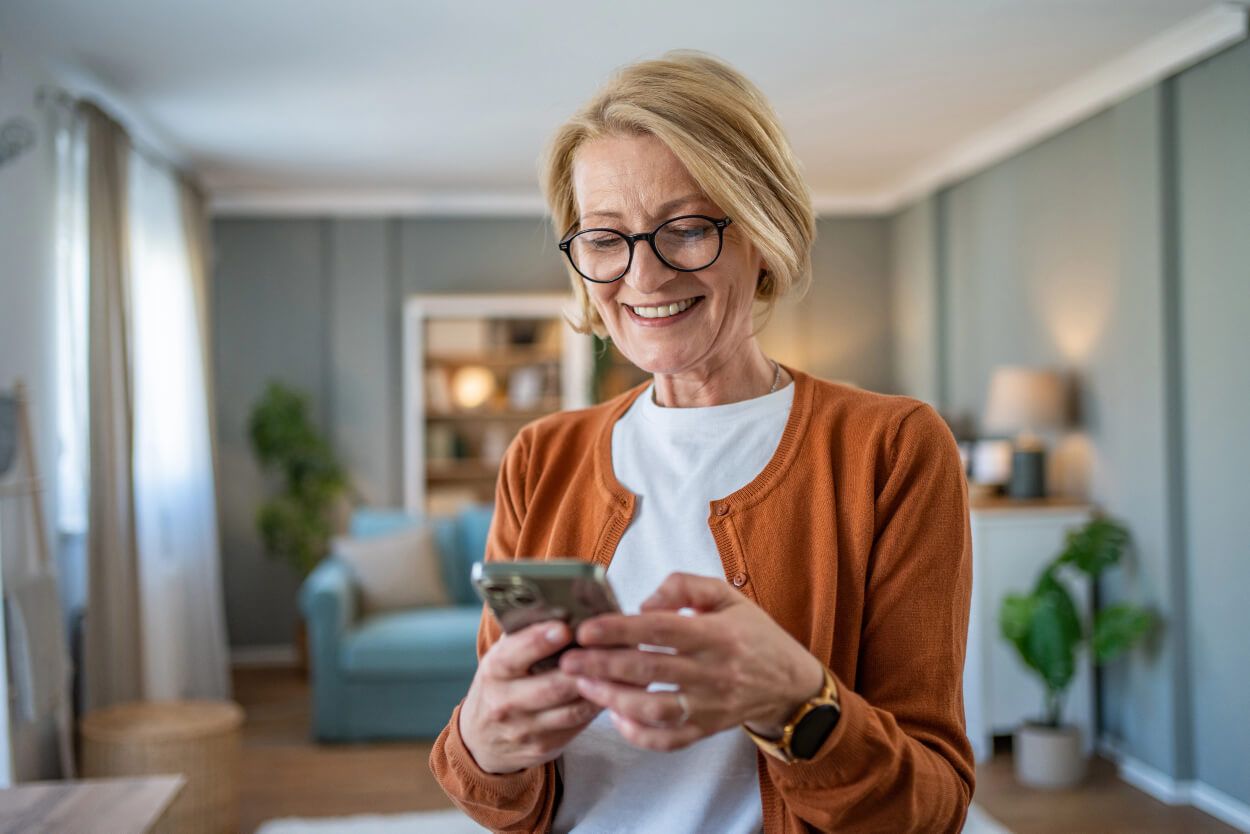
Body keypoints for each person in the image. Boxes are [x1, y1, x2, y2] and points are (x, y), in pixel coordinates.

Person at [430, 50, 974, 833]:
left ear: (761, 229)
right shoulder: (541, 456)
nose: (643, 278)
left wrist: (798, 700)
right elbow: (497, 794)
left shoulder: (888, 449)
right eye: (606, 239)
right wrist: (483, 743)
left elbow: (930, 806)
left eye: (684, 229)